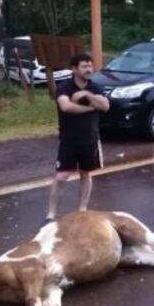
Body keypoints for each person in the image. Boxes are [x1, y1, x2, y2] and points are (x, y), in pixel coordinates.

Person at [46, 53, 109, 222]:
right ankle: (51, 214)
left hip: (90, 138)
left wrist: (87, 96)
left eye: (90, 66)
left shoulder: (95, 87)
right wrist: (90, 108)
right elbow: (66, 106)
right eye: (84, 66)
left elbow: (105, 106)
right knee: (61, 177)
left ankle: (82, 210)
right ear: (74, 69)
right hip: (69, 139)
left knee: (85, 174)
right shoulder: (64, 87)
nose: (89, 69)